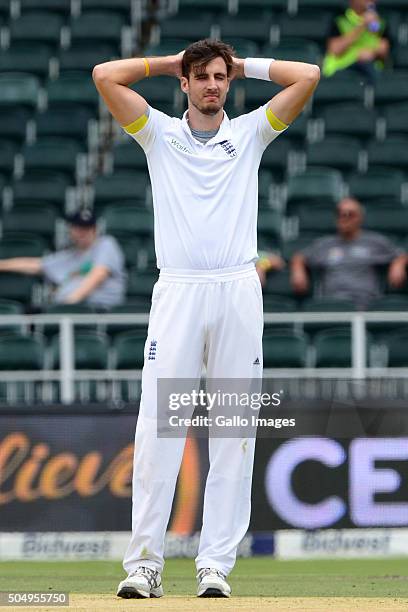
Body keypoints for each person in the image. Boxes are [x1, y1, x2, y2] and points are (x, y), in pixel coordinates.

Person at [93, 39, 320, 599]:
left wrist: (244, 66)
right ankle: (145, 565)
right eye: (203, 77)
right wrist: (170, 63)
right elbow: (104, 75)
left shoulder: (249, 132)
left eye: (221, 76)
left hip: (238, 291)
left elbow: (308, 75)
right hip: (179, 292)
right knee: (158, 431)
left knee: (234, 433)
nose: (214, 84)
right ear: (185, 85)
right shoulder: (158, 133)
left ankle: (214, 563)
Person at [290, 197, 407, 310]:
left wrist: (398, 264)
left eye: (350, 214)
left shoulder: (374, 242)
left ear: (360, 218)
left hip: (364, 305)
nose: (344, 217)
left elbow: (401, 255)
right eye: (340, 214)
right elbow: (299, 257)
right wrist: (297, 269)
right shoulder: (324, 244)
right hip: (332, 305)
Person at [0, 209, 126, 308]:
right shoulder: (69, 255)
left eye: (87, 228)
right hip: (70, 311)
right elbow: (36, 265)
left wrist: (67, 305)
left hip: (98, 311)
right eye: (78, 227)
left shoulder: (106, 244)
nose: (82, 232)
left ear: (95, 230)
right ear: (71, 230)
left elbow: (98, 275)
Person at [322, 0, 389, 82]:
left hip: (370, 69)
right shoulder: (339, 19)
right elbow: (334, 49)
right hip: (341, 70)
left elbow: (384, 48)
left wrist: (372, 52)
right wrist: (362, 26)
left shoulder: (380, 21)